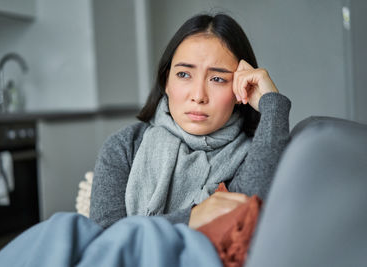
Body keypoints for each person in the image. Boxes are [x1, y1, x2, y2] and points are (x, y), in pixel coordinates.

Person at [89, 13, 291, 230]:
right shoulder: (125, 146)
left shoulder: (255, 153)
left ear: (241, 89)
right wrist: (190, 218)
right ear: (166, 81)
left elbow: (248, 221)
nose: (198, 95)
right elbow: (104, 243)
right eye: (184, 74)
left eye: (217, 79)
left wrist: (273, 105)